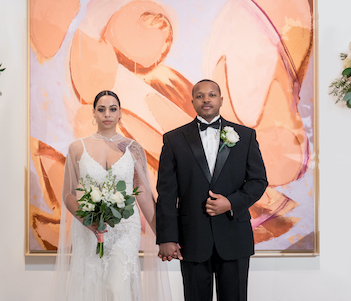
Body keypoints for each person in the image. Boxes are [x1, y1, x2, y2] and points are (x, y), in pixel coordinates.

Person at [53, 90, 171, 301]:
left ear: (120, 113)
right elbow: (68, 194)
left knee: (118, 286)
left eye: (112, 109)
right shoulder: (77, 148)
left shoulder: (133, 148)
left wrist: (164, 236)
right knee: (92, 283)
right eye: (101, 109)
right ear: (94, 113)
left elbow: (143, 194)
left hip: (126, 228)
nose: (107, 114)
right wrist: (85, 219)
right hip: (89, 228)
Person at [156, 79, 268, 301]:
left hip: (234, 236)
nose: (206, 99)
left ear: (221, 100)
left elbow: (258, 181)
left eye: (211, 95)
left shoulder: (245, 136)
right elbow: (167, 192)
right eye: (200, 95)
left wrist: (231, 202)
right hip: (193, 237)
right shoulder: (174, 140)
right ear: (193, 101)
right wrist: (167, 237)